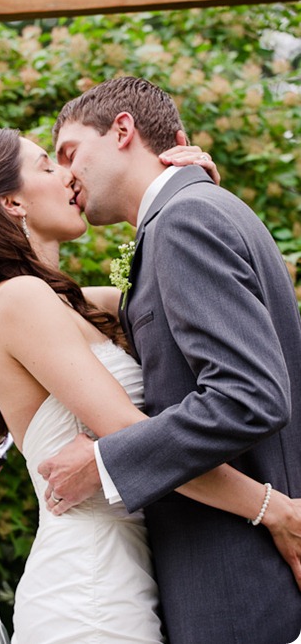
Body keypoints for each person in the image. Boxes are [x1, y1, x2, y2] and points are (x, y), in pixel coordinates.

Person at [0, 127, 301, 644]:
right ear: (12, 201)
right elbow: (131, 436)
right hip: (90, 590)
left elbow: (172, 280)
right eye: (47, 165)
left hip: (140, 576)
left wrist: (183, 192)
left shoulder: (76, 305)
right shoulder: (17, 300)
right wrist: (275, 509)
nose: (68, 175)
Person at [37, 76, 301, 644]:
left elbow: (249, 397)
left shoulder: (186, 219)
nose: (64, 175)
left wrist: (107, 461)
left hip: (238, 586)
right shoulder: (187, 214)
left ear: (124, 130)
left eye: (70, 152)